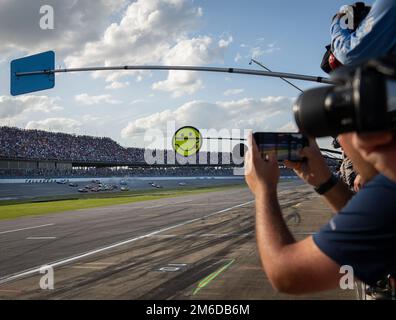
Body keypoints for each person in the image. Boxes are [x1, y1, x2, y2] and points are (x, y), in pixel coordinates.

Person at [245, 133, 395, 295]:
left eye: (342, 135)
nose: (343, 149)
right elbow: (371, 227)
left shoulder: (389, 194)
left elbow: (289, 275)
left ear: (373, 138)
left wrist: (263, 190)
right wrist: (324, 181)